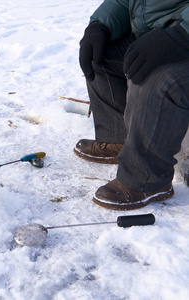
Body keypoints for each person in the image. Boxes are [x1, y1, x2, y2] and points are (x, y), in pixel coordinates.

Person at [75, 0, 189, 210]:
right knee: (101, 54)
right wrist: (99, 25)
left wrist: (181, 36)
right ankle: (120, 139)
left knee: (157, 78)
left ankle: (146, 178)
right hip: (161, 34)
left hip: (183, 37)